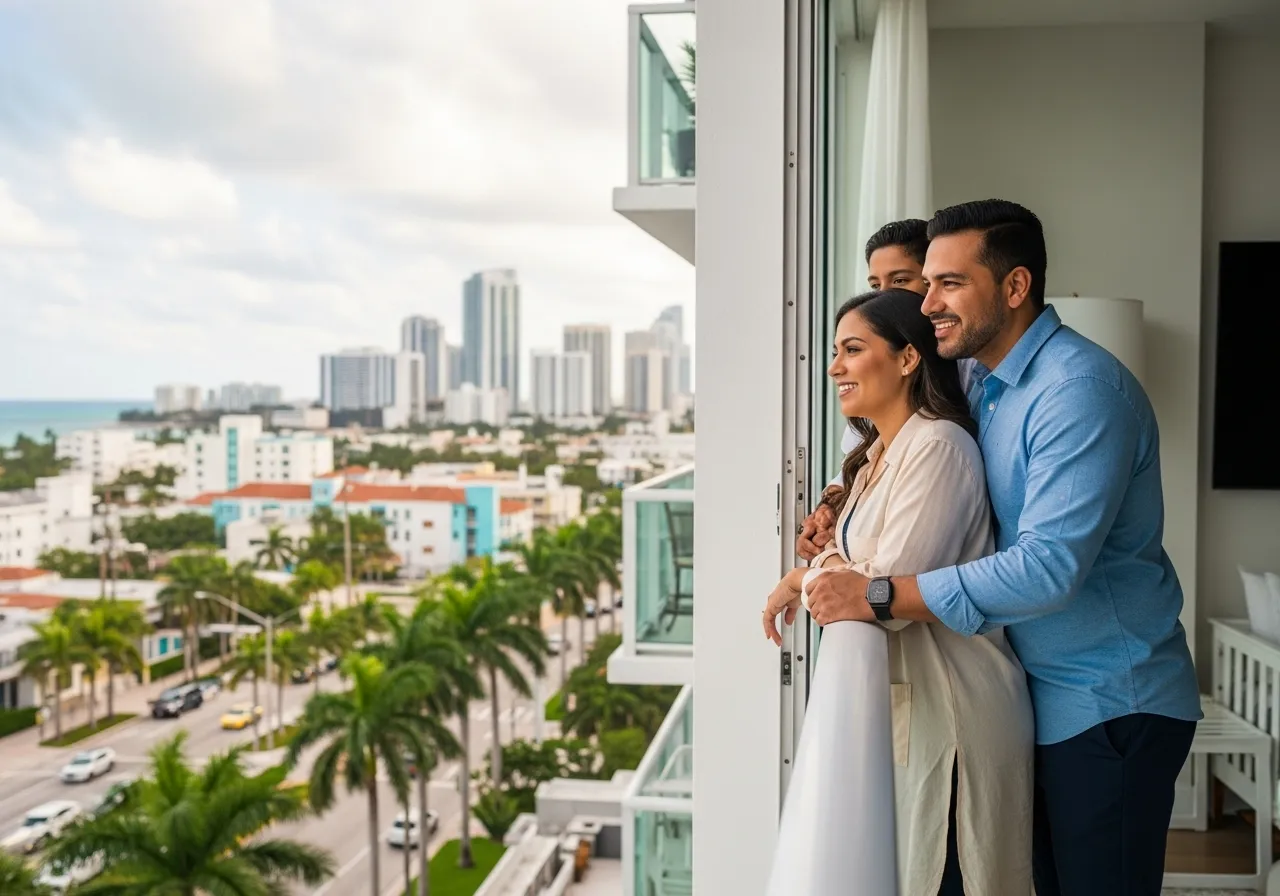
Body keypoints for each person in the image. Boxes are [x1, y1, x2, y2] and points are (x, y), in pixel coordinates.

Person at [802, 200, 1202, 896]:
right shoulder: (982, 378)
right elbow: (899, 437)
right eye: (925, 284)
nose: (926, 305)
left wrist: (876, 593)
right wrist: (837, 508)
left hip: (1109, 701)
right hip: (1033, 696)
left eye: (949, 284)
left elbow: (1048, 568)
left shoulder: (1078, 392)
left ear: (1014, 289)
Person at [763, 288, 1034, 895]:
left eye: (853, 350)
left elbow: (877, 592)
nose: (835, 367)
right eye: (835, 352)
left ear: (909, 358)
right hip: (918, 708)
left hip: (958, 708)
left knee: (952, 870)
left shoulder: (938, 447)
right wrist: (828, 572)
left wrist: (802, 578)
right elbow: (849, 568)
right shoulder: (879, 453)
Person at [797, 218, 930, 560]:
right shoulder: (878, 389)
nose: (884, 296)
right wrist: (828, 509)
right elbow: (854, 465)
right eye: (875, 285)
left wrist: (809, 578)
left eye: (900, 281)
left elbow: (890, 578)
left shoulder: (941, 435)